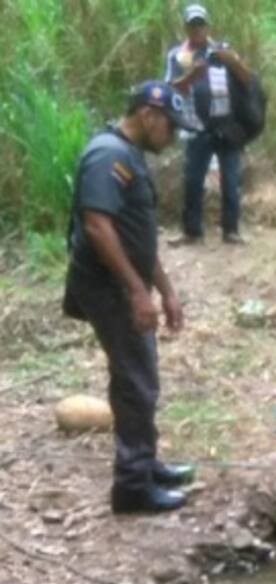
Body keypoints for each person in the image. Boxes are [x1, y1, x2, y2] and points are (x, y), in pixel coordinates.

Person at [63, 81, 196, 514]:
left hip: (125, 283)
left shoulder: (127, 154)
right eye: (170, 127)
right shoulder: (108, 155)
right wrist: (138, 292)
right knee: (136, 378)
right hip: (108, 286)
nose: (172, 136)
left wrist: (167, 290)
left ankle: (145, 461)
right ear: (148, 115)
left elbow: (137, 236)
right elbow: (99, 227)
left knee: (140, 372)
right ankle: (132, 485)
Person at [165, 4, 254, 244]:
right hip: (196, 127)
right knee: (193, 180)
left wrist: (233, 61)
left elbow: (248, 81)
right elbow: (169, 90)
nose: (197, 29)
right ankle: (192, 231)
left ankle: (231, 231)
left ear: (208, 26)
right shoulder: (177, 56)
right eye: (193, 25)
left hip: (227, 126)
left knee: (231, 180)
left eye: (201, 24)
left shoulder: (222, 50)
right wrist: (191, 76)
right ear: (186, 27)